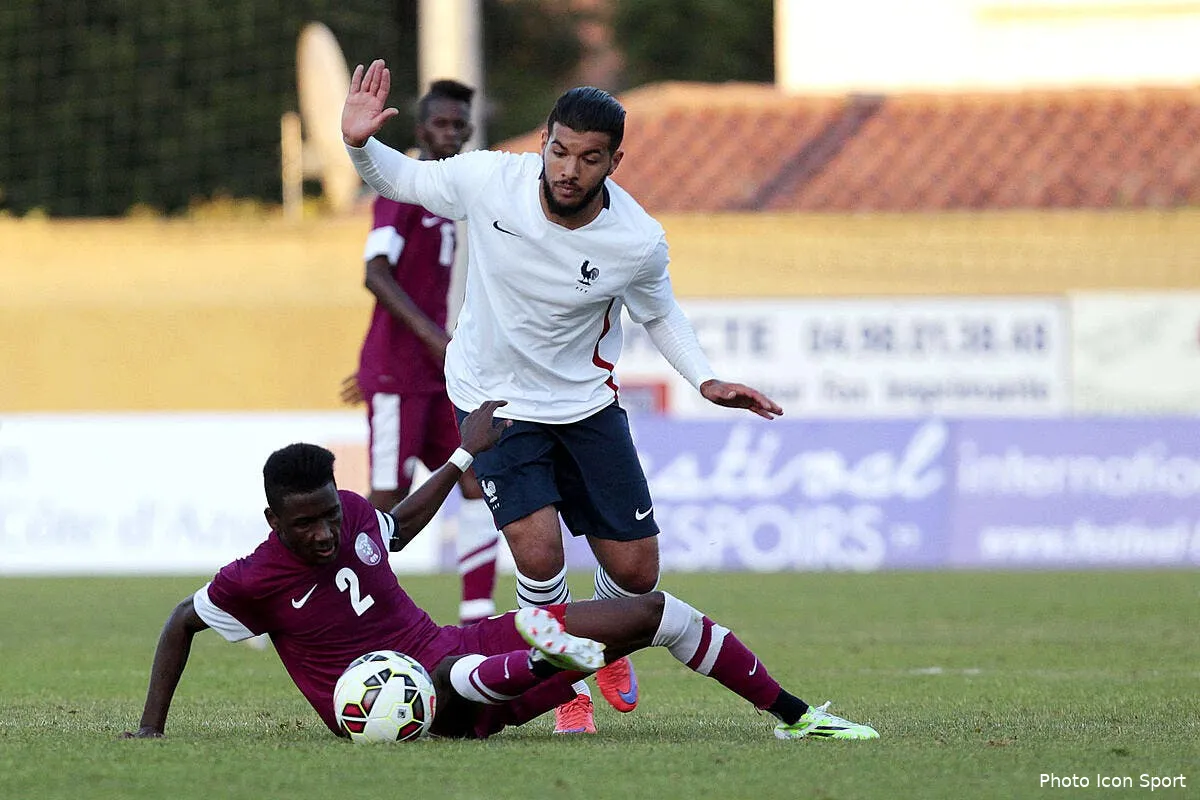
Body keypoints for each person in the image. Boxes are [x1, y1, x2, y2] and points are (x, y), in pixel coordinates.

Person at [339, 59, 785, 734]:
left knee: (637, 574)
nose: (568, 169)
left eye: (589, 158)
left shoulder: (636, 240)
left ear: (614, 162)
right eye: (559, 150)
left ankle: (605, 641)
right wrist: (358, 143)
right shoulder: (492, 180)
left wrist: (704, 379)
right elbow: (400, 179)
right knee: (538, 552)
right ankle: (563, 688)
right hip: (492, 400)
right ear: (543, 141)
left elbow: (659, 312)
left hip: (583, 406)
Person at [122, 416, 878, 742]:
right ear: (272, 521)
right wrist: (152, 729)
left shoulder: (351, 515)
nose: (322, 533)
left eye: (325, 515)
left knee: (654, 612)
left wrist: (460, 457)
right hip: (393, 700)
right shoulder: (251, 580)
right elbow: (178, 622)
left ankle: (802, 717)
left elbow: (398, 528)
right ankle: (563, 662)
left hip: (454, 650)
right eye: (304, 526)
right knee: (453, 677)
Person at [341, 78, 499, 626]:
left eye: (460, 125)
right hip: (402, 371)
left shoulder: (456, 194)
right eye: (441, 124)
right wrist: (434, 341)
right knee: (387, 497)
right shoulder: (401, 188)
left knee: (480, 479)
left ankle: (478, 616)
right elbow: (374, 273)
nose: (451, 133)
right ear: (420, 129)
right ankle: (324, 601)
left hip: (436, 375)